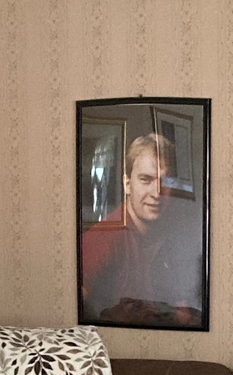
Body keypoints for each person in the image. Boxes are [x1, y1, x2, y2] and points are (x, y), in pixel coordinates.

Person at [79, 131, 204, 328]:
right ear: (128, 184)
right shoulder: (102, 239)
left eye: (165, 181)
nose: (157, 193)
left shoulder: (177, 234)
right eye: (146, 180)